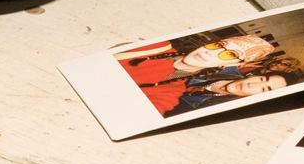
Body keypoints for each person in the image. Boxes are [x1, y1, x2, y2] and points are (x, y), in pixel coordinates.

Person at [114, 34, 275, 116]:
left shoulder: (172, 91)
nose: (211, 52)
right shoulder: (157, 45)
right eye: (218, 45)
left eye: (230, 54)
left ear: (229, 66)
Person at [167, 72, 288, 116]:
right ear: (254, 75)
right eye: (261, 79)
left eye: (264, 89)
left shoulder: (217, 111)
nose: (252, 85)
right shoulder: (221, 67)